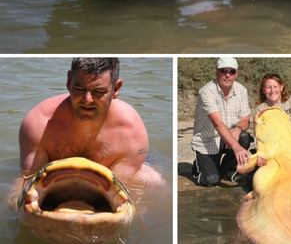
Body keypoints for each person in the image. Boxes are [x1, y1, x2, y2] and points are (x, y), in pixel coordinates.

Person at [18, 57, 163, 187]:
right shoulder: (39, 123)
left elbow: (117, 187)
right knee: (14, 193)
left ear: (116, 89)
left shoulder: (131, 130)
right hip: (55, 177)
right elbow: (29, 178)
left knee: (152, 179)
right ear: (69, 81)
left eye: (99, 92)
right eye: (79, 88)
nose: (87, 100)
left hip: (109, 177)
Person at [191, 57, 253, 187]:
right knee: (212, 180)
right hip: (208, 141)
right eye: (224, 70)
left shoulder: (242, 90)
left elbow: (245, 120)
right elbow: (217, 123)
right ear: (217, 72)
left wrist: (237, 130)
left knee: (244, 137)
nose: (227, 75)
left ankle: (229, 169)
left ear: (236, 73)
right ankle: (198, 167)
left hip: (229, 139)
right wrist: (236, 148)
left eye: (232, 71)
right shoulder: (207, 92)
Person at [254, 73, 291, 147]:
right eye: (268, 87)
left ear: (281, 87)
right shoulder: (260, 109)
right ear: (263, 90)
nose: (272, 90)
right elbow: (260, 139)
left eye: (275, 86)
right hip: (272, 148)